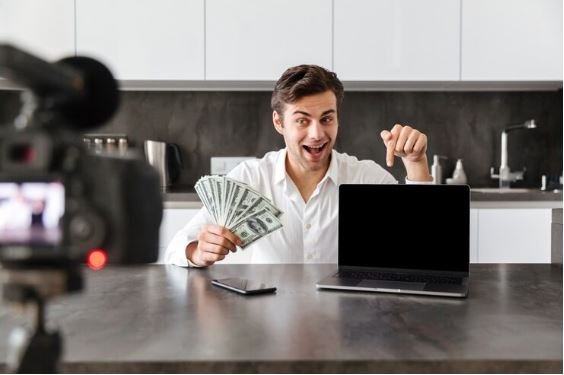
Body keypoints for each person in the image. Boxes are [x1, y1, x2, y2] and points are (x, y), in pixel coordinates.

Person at [166, 64, 433, 267]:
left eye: (327, 119)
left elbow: (422, 251)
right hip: (268, 327)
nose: (317, 133)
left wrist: (416, 163)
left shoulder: (366, 178)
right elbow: (175, 249)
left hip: (349, 327)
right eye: (303, 121)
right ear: (279, 123)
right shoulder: (250, 178)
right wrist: (197, 251)